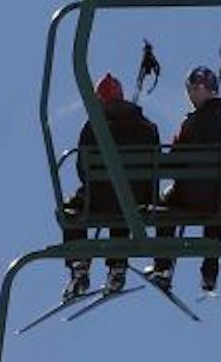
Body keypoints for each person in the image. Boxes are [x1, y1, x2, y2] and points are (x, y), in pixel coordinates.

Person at [150, 63, 221, 297]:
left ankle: (162, 267)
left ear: (202, 89)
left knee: (165, 202)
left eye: (193, 90)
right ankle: (210, 273)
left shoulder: (193, 123)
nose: (190, 96)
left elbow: (174, 162)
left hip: (191, 195)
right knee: (217, 208)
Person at [61, 73, 163, 302]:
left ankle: (80, 265)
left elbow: (83, 170)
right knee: (124, 199)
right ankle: (117, 266)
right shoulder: (147, 127)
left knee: (73, 207)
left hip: (102, 198)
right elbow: (154, 168)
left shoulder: (94, 125)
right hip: (137, 200)